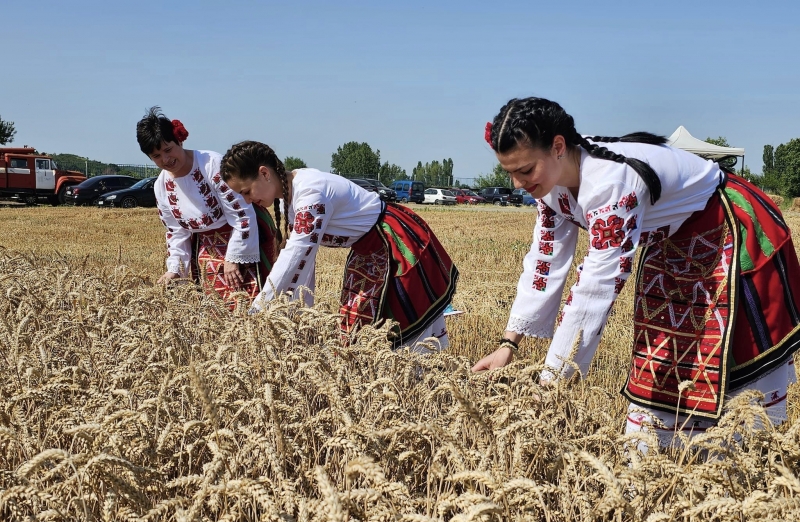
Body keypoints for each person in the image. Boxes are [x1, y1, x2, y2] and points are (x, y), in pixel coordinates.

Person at [472, 97, 800, 448]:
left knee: (730, 347)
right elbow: (545, 259)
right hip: (672, 241)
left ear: (557, 147)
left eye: (525, 170)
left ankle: (744, 453)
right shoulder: (551, 188)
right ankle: (660, 454)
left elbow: (596, 286)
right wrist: (510, 343)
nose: (518, 183)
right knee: (661, 348)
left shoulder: (611, 183)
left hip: (727, 229)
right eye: (510, 172)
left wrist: (553, 383)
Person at [219, 141, 458, 350]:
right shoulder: (289, 194)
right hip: (367, 249)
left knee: (397, 320)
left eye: (247, 191)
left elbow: (296, 254)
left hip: (391, 244)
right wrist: (298, 316)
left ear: (264, 173)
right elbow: (302, 264)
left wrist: (259, 308)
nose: (248, 200)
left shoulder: (311, 192)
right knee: (356, 323)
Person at [136, 107, 278, 309]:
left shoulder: (212, 164)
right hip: (203, 252)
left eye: (168, 150)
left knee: (248, 307)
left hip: (241, 239)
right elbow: (176, 232)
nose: (165, 160)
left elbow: (241, 214)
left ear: (179, 140)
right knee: (213, 314)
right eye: (156, 156)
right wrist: (174, 269)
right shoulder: (161, 186)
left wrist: (233, 258)